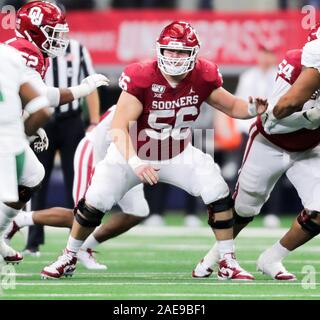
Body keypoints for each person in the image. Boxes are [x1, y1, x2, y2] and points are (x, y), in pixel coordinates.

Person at [40, 21, 267, 280]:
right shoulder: (143, 75)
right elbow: (118, 127)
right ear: (159, 50)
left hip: (177, 152)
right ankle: (69, 255)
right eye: (170, 50)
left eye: (181, 52)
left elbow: (232, 106)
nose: (174, 57)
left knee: (216, 187)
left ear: (194, 53)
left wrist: (251, 110)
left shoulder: (204, 75)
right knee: (96, 200)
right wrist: (136, 163)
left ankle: (227, 260)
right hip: (132, 153)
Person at [192, 23, 320, 280]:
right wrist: (309, 116)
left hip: (309, 148)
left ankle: (272, 258)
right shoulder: (296, 63)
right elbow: (274, 120)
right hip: (269, 141)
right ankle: (215, 257)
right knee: (245, 207)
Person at [0, 1, 109, 262]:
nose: (59, 38)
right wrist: (82, 90)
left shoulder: (21, 49)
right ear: (34, 30)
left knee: (32, 175)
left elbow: (20, 95)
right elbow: (44, 98)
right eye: (53, 31)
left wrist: (27, 122)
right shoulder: (25, 50)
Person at [4, 105, 150, 269]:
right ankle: (20, 220)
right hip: (96, 154)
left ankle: (84, 248)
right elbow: (102, 136)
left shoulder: (169, 100)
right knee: (82, 215)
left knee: (138, 211)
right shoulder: (137, 96)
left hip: (125, 159)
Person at [25, 36, 102, 257]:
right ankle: (33, 242)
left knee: (77, 182)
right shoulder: (31, 52)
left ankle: (76, 243)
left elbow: (91, 85)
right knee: (35, 179)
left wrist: (94, 122)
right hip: (43, 120)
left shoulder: (77, 48)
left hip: (71, 121)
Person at [0, 43, 50, 263]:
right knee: (32, 177)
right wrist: (25, 132)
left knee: (33, 175)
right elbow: (41, 107)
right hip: (9, 142)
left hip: (9, 136)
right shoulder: (9, 54)